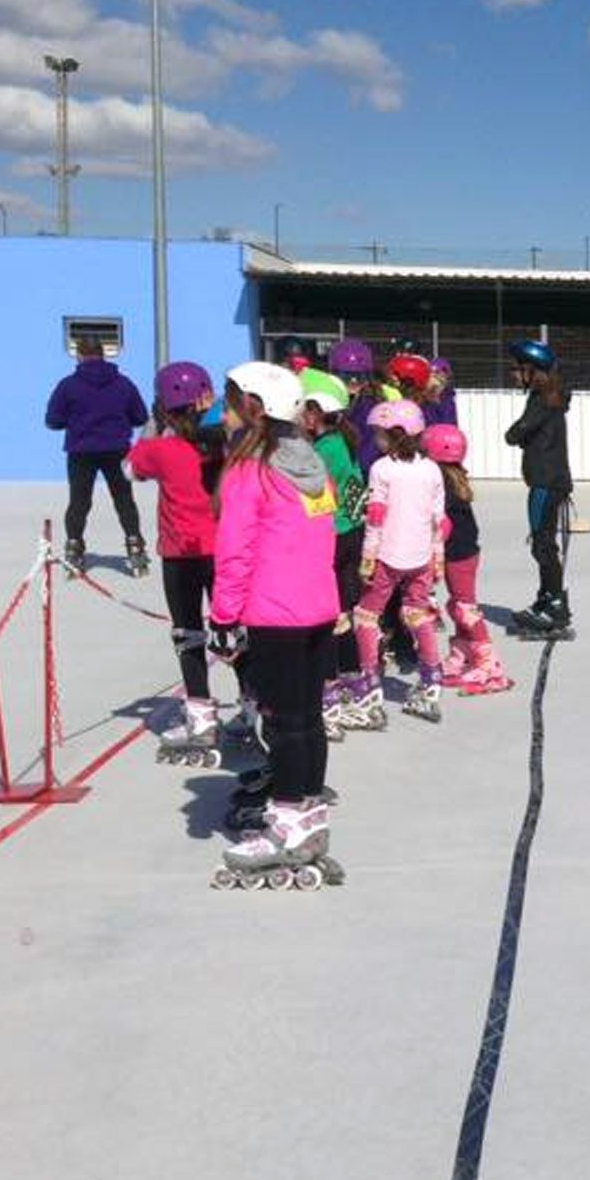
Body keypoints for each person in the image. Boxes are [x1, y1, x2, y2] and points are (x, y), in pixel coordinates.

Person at [208, 361, 343, 890]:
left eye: (232, 399)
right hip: (316, 607)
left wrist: (223, 618)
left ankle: (284, 822)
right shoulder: (310, 462)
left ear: (255, 408)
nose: (225, 411)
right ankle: (308, 816)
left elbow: (236, 551)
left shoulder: (251, 471)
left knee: (284, 722)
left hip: (274, 611)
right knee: (307, 718)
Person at [130, 362, 236, 768]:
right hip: (223, 550)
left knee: (188, 634)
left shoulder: (162, 449)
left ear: (165, 409)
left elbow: (130, 468)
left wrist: (156, 425)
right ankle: (252, 705)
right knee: (233, 632)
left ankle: (201, 716)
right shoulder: (224, 446)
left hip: (180, 555)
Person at [354, 400, 446, 725]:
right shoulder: (431, 469)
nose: (375, 440)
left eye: (378, 434)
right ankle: (432, 683)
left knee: (366, 616)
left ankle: (369, 688)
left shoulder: (382, 469)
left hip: (387, 557)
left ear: (392, 435)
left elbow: (375, 517)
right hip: (421, 557)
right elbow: (439, 520)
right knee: (419, 613)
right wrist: (438, 561)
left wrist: (367, 559)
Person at [298, 368, 374, 737]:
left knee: (328, 616)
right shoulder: (343, 440)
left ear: (314, 412)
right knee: (344, 613)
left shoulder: (324, 451)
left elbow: (312, 501)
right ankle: (354, 684)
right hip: (350, 534)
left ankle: (328, 694)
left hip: (333, 537)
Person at [45, 334, 150, 573]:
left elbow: (52, 420)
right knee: (124, 499)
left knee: (79, 501)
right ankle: (135, 546)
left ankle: (74, 547)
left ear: (79, 355)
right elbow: (140, 417)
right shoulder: (124, 383)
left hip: (81, 451)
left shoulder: (67, 386)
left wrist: (74, 421)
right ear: (103, 354)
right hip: (117, 449)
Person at [426, 424, 512, 696]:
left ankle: (490, 665)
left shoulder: (442, 482)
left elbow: (445, 523)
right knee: (458, 604)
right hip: (463, 551)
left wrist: (431, 546)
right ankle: (463, 653)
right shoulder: (452, 476)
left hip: (458, 554)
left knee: (464, 607)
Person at [506, 339, 574, 638]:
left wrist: (517, 435)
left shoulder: (542, 400)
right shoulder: (549, 398)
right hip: (550, 480)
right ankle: (548, 597)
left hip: (545, 482)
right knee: (543, 542)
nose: (513, 374)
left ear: (532, 371)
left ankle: (555, 605)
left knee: (542, 544)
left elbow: (516, 432)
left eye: (518, 369)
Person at [328, 338, 384, 473]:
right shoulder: (327, 404)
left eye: (359, 376)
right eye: (346, 376)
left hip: (361, 476)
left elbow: (371, 450)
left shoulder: (372, 407)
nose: (353, 381)